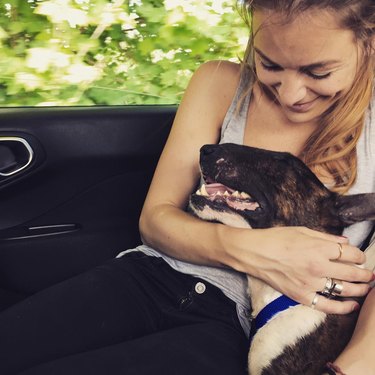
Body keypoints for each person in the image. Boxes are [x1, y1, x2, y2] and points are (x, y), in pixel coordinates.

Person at [0, 0, 374, 374]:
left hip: (245, 334)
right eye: (270, 64)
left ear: (369, 42)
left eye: (319, 72)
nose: (291, 93)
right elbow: (156, 220)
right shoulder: (219, 83)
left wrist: (349, 368)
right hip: (150, 279)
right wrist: (257, 251)